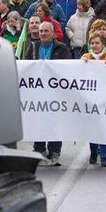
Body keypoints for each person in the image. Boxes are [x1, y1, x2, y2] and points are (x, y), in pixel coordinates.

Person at [23, 21, 71, 166]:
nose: (43, 33)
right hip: (37, 92)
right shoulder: (32, 47)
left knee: (55, 122)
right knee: (38, 121)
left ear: (53, 33)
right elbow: (25, 66)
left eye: (46, 31)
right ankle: (39, 149)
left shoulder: (62, 48)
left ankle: (54, 151)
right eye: (41, 31)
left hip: (56, 93)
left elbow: (68, 68)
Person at [81, 32, 106, 167]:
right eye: (92, 43)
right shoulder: (85, 57)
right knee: (92, 128)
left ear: (103, 44)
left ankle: (103, 156)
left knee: (104, 128)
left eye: (97, 43)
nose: (94, 46)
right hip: (90, 99)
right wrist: (82, 65)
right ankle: (93, 153)